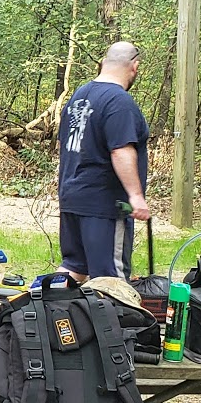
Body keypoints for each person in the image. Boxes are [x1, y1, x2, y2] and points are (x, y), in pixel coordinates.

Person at [57, 41, 150, 281]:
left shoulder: (80, 95)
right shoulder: (118, 102)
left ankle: (43, 315)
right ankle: (111, 319)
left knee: (74, 268)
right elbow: (121, 151)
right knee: (110, 278)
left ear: (103, 63)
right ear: (135, 67)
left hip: (72, 196)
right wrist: (136, 196)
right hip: (104, 205)